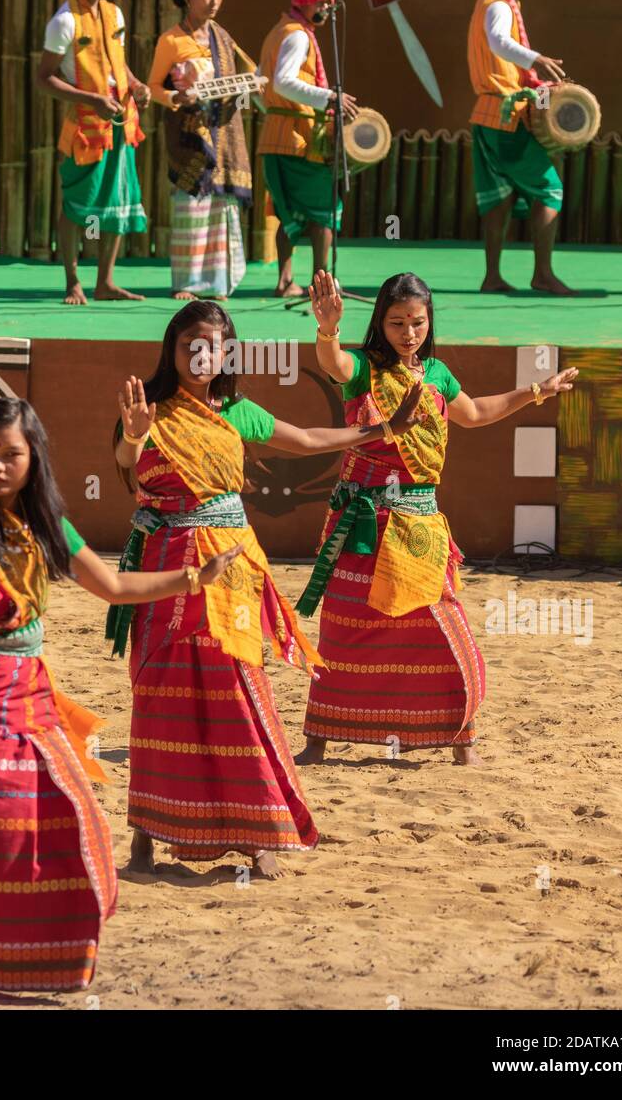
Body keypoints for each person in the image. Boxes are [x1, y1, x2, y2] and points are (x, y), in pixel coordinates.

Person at [0, 397, 241, 993]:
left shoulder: (46, 522)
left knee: (75, 822)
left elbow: (115, 585)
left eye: (10, 453)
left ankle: (39, 961)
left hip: (27, 698)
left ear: (32, 455)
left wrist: (194, 577)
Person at [109, 300, 385, 879]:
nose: (200, 355)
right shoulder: (148, 410)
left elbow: (308, 438)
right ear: (173, 348)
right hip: (167, 567)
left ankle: (260, 833)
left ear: (227, 353)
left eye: (212, 345)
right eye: (190, 345)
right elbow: (126, 467)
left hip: (232, 565)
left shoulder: (236, 411)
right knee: (161, 690)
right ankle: (145, 836)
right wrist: (134, 438)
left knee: (240, 683)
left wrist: (383, 428)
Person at [296, 270, 579, 767]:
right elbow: (334, 364)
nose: (409, 333)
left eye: (418, 322)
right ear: (380, 323)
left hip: (419, 525)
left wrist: (538, 390)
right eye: (397, 322)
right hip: (365, 525)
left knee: (439, 629)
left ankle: (460, 741)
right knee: (344, 630)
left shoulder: (438, 374)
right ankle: (319, 738)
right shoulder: (363, 368)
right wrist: (328, 329)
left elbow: (474, 413)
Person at [37, 0, 152, 305]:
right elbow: (44, 78)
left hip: (121, 122)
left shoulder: (115, 13)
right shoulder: (63, 21)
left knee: (119, 201)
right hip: (86, 127)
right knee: (77, 203)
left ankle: (105, 281)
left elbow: (119, 65)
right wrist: (92, 99)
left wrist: (135, 86)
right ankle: (72, 280)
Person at [467, 0, 573, 296]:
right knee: (549, 190)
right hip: (505, 116)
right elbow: (498, 43)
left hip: (486, 115)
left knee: (499, 196)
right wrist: (536, 58)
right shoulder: (498, 6)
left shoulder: (488, 1)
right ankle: (542, 274)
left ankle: (492, 276)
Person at [147, 0, 252, 300]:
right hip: (190, 137)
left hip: (222, 134)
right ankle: (188, 283)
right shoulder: (171, 40)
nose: (214, 1)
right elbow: (153, 86)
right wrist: (175, 98)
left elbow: (234, 81)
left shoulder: (223, 38)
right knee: (192, 206)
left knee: (220, 206)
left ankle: (218, 283)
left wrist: (244, 91)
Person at [257, 0, 358, 298]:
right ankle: (321, 283)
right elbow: (283, 83)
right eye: (322, 2)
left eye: (329, 1)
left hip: (278, 136)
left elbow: (262, 85)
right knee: (323, 213)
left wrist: (274, 113)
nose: (328, 8)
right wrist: (330, 98)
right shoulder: (297, 36)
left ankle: (286, 281)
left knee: (289, 213)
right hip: (299, 140)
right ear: (304, 1)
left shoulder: (278, 31)